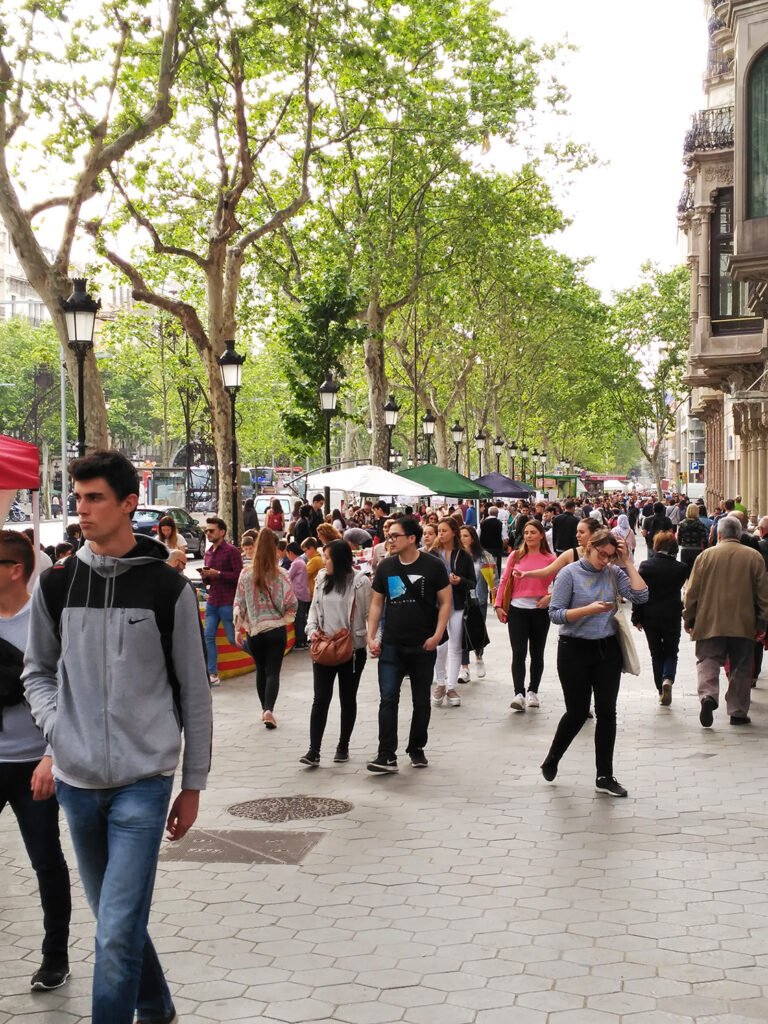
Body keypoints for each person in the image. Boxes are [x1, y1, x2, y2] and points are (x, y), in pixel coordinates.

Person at [23, 450, 212, 1024]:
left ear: (129, 504)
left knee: (115, 929)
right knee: (115, 921)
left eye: (94, 497)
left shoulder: (168, 589)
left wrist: (193, 783)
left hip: (144, 785)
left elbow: (193, 693)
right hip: (76, 783)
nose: (81, 509)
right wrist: (58, 729)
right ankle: (156, 1005)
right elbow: (37, 671)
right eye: (77, 498)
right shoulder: (55, 585)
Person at [0, 530, 72, 992]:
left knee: (46, 859)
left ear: (14, 569)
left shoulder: (42, 619)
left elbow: (67, 688)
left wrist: (51, 755)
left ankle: (54, 956)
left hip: (34, 763)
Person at [541, 528, 648, 798]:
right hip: (573, 650)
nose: (605, 560)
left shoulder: (614, 573)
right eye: (602, 554)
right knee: (577, 712)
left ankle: (604, 775)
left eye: (610, 556)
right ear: (589, 546)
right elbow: (555, 614)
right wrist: (588, 610)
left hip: (606, 650)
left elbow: (641, 596)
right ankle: (553, 757)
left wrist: (627, 563)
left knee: (607, 711)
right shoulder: (569, 573)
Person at [366, 516, 451, 772]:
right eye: (388, 536)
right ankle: (386, 754)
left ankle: (416, 748)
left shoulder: (433, 566)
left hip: (423, 644)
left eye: (395, 536)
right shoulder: (386, 567)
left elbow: (446, 601)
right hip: (391, 643)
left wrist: (437, 635)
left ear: (411, 538)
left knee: (420, 700)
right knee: (388, 698)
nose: (390, 540)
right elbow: (376, 603)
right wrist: (371, 636)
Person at [683, 515, 768, 727]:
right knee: (741, 664)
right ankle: (738, 711)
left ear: (719, 534)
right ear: (740, 534)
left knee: (707, 660)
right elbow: (763, 595)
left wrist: (688, 617)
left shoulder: (705, 557)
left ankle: (708, 696)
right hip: (744, 621)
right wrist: (762, 623)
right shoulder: (754, 557)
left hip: (710, 620)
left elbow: (692, 592)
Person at [300, 541, 372, 766]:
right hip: (324, 647)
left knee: (347, 698)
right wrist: (311, 631)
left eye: (328, 557)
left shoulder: (360, 583)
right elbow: (314, 609)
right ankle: (314, 751)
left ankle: (343, 745)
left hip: (352, 650)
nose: (324, 561)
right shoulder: (322, 578)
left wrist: (373, 638)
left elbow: (372, 613)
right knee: (320, 699)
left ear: (340, 559)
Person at [234, 528, 297, 729]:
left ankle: (264, 709)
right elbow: (291, 601)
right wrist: (287, 616)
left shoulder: (245, 574)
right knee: (273, 672)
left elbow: (239, 603)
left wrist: (238, 629)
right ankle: (269, 709)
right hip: (276, 629)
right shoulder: (281, 575)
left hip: (254, 631)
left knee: (260, 670)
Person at [495, 521, 555, 710]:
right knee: (518, 653)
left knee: (537, 653)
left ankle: (533, 692)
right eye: (526, 532)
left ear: (541, 535)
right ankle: (518, 693)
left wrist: (550, 597)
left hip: (540, 611)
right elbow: (504, 580)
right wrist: (497, 604)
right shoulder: (516, 555)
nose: (528, 536)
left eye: (533, 532)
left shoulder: (550, 559)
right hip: (517, 610)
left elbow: (562, 584)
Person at [632, 531, 690, 705]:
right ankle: (668, 678)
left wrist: (636, 617)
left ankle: (660, 689)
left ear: (656, 546)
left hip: (650, 615)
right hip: (672, 615)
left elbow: (639, 593)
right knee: (672, 651)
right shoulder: (681, 569)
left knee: (656, 653)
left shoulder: (645, 566)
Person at [431, 516, 476, 709]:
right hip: (437, 605)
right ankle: (440, 683)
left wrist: (460, 581)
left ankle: (451, 686)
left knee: (455, 645)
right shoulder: (432, 554)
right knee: (439, 645)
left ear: (453, 532)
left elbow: (472, 582)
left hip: (457, 603)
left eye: (444, 531)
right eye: (439, 531)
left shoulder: (463, 555)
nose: (441, 534)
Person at [200, 516, 243, 687]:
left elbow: (239, 576)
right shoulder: (208, 552)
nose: (208, 533)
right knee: (207, 637)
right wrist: (206, 577)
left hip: (227, 601)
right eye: (207, 531)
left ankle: (259, 655)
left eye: (211, 530)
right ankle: (212, 674)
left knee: (233, 638)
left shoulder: (231, 551)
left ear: (222, 532)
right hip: (213, 600)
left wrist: (217, 574)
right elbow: (209, 580)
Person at [458, 524, 497, 681]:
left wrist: (496, 592)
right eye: (460, 536)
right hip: (460, 599)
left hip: (478, 599)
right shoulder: (455, 555)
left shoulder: (484, 556)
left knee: (477, 631)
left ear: (473, 538)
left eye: (466, 536)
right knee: (461, 633)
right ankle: (464, 668)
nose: (462, 539)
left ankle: (479, 656)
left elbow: (494, 577)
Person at [286, 542, 311, 649]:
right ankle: (303, 640)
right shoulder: (302, 561)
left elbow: (287, 577)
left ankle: (300, 641)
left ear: (290, 552)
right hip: (304, 594)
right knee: (303, 618)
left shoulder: (296, 563)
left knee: (299, 619)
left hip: (298, 594)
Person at [676, 503, 708, 570]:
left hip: (685, 549)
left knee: (685, 571)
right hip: (697, 549)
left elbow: (679, 539)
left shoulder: (682, 524)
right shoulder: (700, 524)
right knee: (695, 571)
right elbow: (704, 539)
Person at [478, 505, 504, 577]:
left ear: (489, 513)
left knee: (485, 566)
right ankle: (496, 583)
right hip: (496, 548)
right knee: (496, 567)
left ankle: (487, 580)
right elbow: (504, 537)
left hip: (485, 548)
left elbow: (478, 535)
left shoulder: (482, 523)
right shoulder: (500, 524)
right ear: (497, 514)